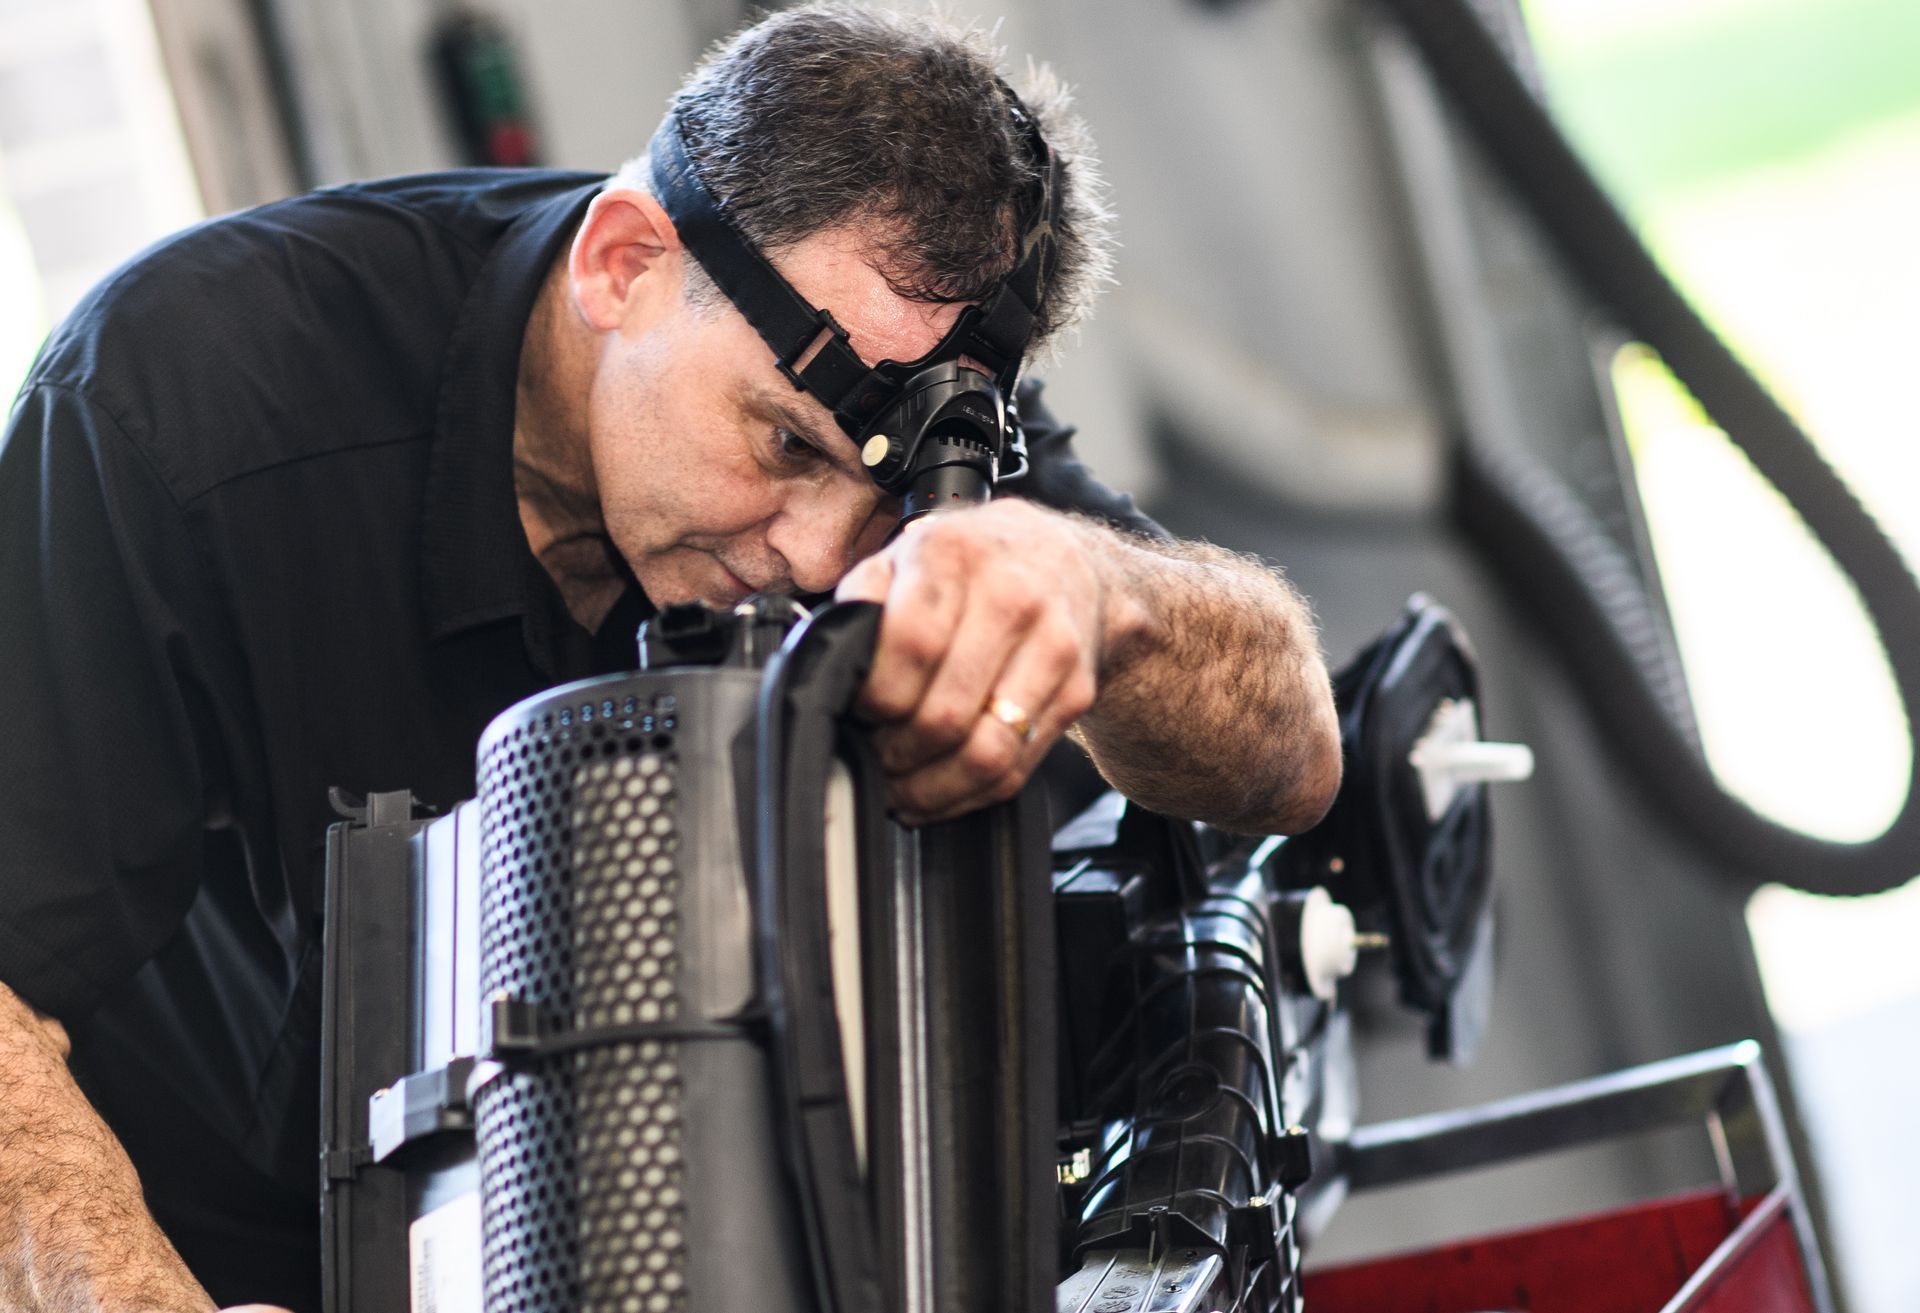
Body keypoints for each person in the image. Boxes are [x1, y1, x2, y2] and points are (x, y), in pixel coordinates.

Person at [0, 4, 1341, 1309]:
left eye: (874, 502)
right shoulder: (180, 402)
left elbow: (1293, 751)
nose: (821, 559)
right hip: (203, 1247)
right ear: (623, 263)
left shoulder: (914, 393)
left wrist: (1098, 591)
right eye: (785, 445)